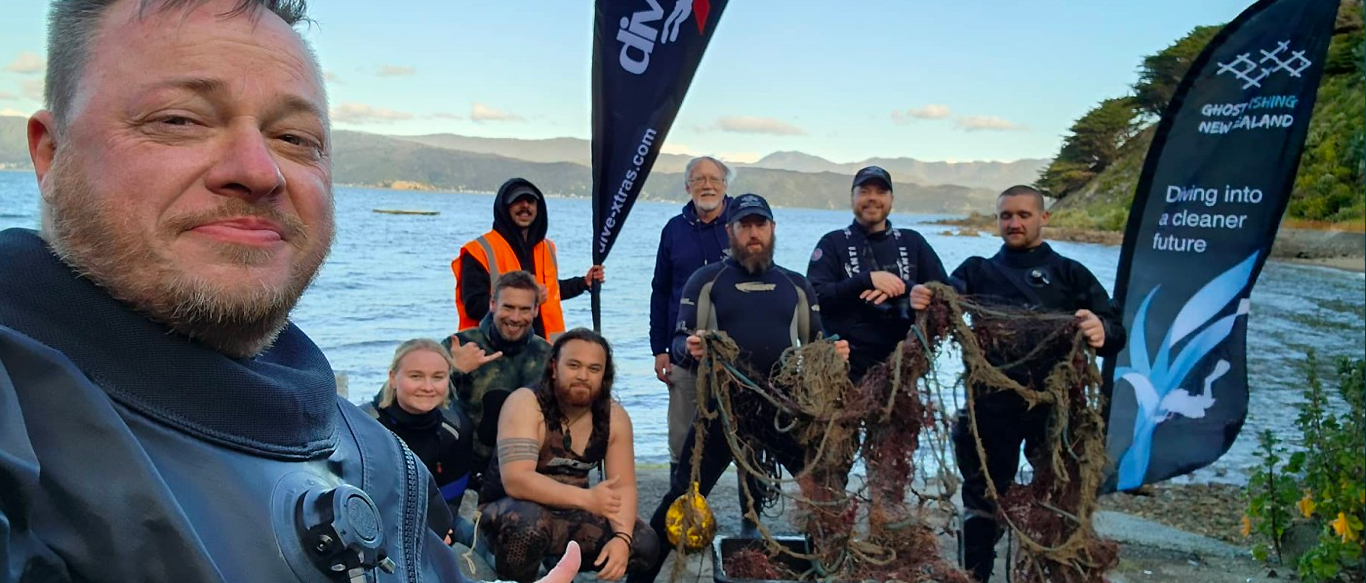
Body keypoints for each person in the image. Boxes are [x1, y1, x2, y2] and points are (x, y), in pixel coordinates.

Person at [0, 1, 580, 581]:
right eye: (179, 119)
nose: (259, 170)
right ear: (51, 154)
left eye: (296, 138)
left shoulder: (377, 458)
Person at [910, 185, 1127, 583]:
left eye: (1024, 215)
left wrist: (1100, 329)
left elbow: (1114, 330)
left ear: (1043, 218)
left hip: (1055, 407)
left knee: (1059, 495)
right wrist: (925, 295)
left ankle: (1052, 572)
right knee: (982, 498)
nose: (1014, 223)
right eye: (1006, 216)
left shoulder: (1069, 273)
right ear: (997, 221)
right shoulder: (977, 271)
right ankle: (975, 576)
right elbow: (945, 298)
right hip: (991, 406)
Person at [631, 194, 850, 583]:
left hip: (781, 412)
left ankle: (824, 572)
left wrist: (835, 351)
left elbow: (817, 343)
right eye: (744, 225)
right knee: (679, 497)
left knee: (824, 494)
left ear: (772, 230)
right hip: (721, 412)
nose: (753, 233)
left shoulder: (795, 285)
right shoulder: (707, 281)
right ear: (730, 231)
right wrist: (691, 347)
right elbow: (680, 342)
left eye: (760, 225)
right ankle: (638, 576)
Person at [478, 329, 658, 583]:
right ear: (554, 367)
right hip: (508, 513)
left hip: (570, 515)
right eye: (574, 365)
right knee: (528, 526)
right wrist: (587, 498)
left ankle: (559, 568)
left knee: (645, 543)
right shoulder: (525, 403)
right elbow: (517, 480)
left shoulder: (614, 417)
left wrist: (622, 539)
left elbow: (624, 487)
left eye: (594, 369)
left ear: (604, 375)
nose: (583, 376)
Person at [807, 165, 948, 383]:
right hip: (843, 371)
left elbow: (947, 297)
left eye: (880, 192)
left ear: (892, 199)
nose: (872, 198)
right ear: (852, 197)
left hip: (903, 371)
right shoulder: (832, 243)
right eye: (864, 191)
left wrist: (912, 292)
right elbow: (814, 298)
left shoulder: (913, 242)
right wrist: (866, 280)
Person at [649, 155, 733, 470]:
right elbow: (660, 290)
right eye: (699, 179)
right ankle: (681, 512)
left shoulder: (742, 224)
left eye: (714, 179)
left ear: (725, 186)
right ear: (688, 186)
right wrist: (659, 349)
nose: (707, 185)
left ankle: (750, 516)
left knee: (745, 437)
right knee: (681, 439)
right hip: (683, 352)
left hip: (736, 355)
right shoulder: (673, 230)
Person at [452, 178, 604, 341]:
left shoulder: (547, 247)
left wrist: (583, 283)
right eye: (517, 201)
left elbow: (551, 291)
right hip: (494, 352)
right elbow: (474, 306)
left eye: (530, 201)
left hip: (544, 352)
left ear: (539, 207)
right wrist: (527, 297)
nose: (525, 206)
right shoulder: (479, 250)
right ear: (505, 207)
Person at [443, 270, 553, 486]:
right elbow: (417, 397)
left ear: (536, 310)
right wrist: (454, 370)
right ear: (493, 304)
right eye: (508, 307)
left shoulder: (547, 355)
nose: (515, 318)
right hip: (463, 467)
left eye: (524, 309)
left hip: (524, 468)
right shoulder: (460, 345)